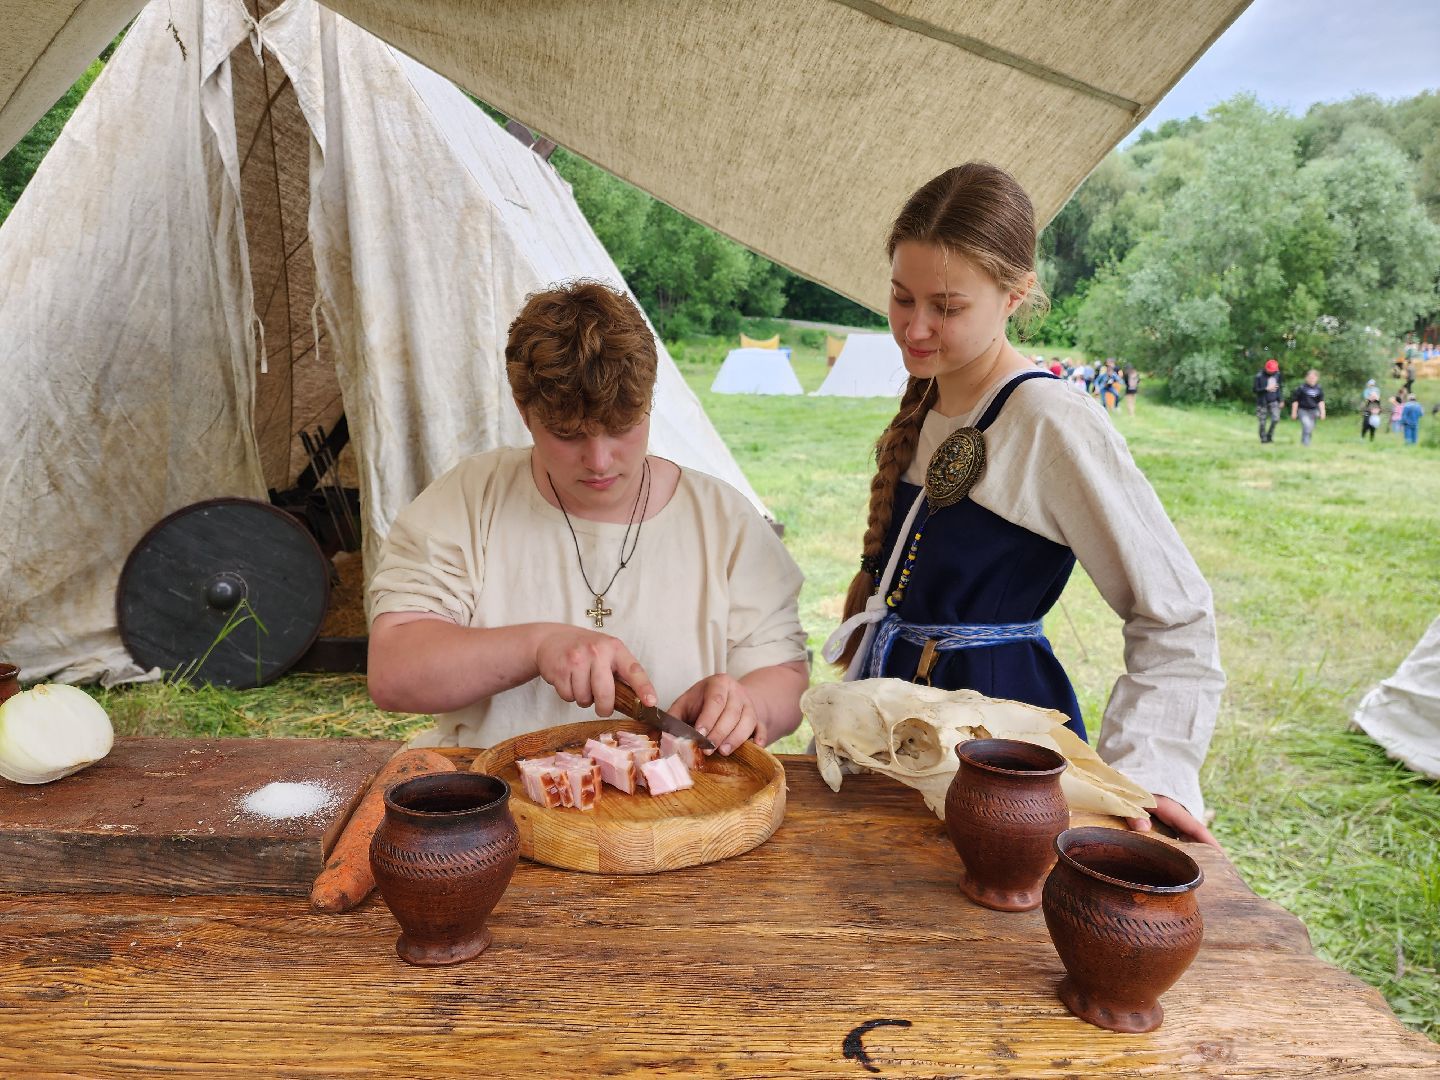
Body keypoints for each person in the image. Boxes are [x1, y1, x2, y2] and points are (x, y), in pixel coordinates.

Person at [823, 163, 1225, 847]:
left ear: (1016, 294)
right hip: (897, 727)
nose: (915, 328)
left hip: (1000, 755)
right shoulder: (931, 397)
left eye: (947, 307)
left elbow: (1176, 614)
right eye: (901, 297)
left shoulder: (1049, 419)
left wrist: (1150, 772)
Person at [366, 281, 810, 753]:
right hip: (489, 790)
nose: (599, 461)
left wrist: (746, 703)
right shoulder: (469, 499)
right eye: (567, 434)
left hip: (679, 795)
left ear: (649, 402)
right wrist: (538, 647)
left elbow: (784, 675)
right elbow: (394, 671)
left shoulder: (723, 520)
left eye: (621, 428)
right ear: (524, 411)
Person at [1289, 369, 1326, 446]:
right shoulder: (1301, 388)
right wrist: (1294, 412)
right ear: (1306, 378)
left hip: (1314, 411)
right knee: (1307, 425)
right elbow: (1295, 401)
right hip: (1303, 410)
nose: (1311, 379)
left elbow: (1321, 401)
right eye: (1310, 378)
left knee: (1310, 428)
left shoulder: (1319, 388)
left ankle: (1305, 441)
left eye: (1313, 378)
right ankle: (1306, 444)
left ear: (1317, 378)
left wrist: (1323, 412)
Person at [1253, 359, 1283, 443]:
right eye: (1270, 370)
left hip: (1274, 401)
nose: (1272, 372)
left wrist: (1281, 400)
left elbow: (1279, 387)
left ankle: (1269, 435)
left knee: (1275, 419)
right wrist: (1266, 389)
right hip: (1262, 402)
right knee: (1262, 422)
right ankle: (1263, 438)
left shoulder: (1277, 374)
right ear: (1266, 368)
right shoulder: (1259, 376)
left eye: (1273, 371)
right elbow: (1255, 390)